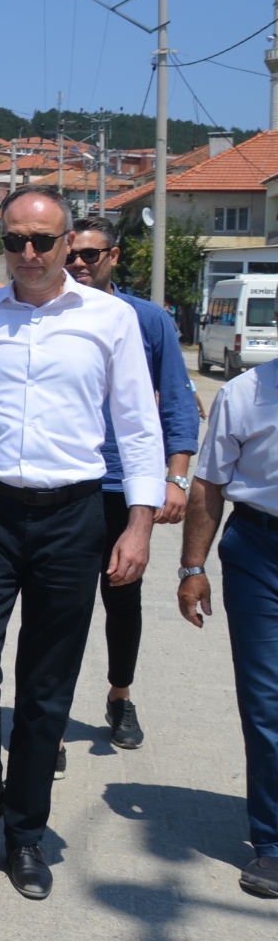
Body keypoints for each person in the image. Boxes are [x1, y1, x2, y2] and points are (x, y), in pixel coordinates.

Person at [0, 184, 165, 901]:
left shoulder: (109, 320)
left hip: (73, 517)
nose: (27, 252)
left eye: (42, 241)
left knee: (46, 688)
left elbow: (137, 427)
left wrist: (139, 523)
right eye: (14, 240)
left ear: (67, 244)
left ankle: (25, 830)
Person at [56, 215, 199, 768]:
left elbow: (178, 402)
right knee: (59, 607)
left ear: (113, 257)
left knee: (122, 599)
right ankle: (51, 718)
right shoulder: (49, 313)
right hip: (69, 486)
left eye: (90, 254)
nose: (78, 263)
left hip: (125, 486)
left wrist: (176, 477)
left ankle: (120, 696)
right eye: (72, 253)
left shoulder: (148, 319)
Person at [178, 354, 278, 899]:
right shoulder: (243, 394)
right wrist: (192, 568)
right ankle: (273, 841)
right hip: (261, 552)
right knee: (266, 702)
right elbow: (209, 483)